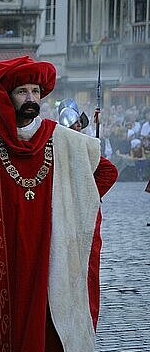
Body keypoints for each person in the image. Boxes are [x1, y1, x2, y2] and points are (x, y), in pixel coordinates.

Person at [0, 56, 118, 352]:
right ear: (6, 98)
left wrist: (75, 205)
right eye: (22, 92)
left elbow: (106, 172)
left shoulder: (66, 141)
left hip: (52, 253)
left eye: (36, 92)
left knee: (52, 329)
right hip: (6, 259)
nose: (31, 99)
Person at [57, 97, 118, 330]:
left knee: (88, 268)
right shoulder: (61, 147)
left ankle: (89, 318)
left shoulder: (85, 145)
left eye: (77, 126)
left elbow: (109, 172)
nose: (76, 129)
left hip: (88, 216)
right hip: (67, 214)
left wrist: (88, 197)